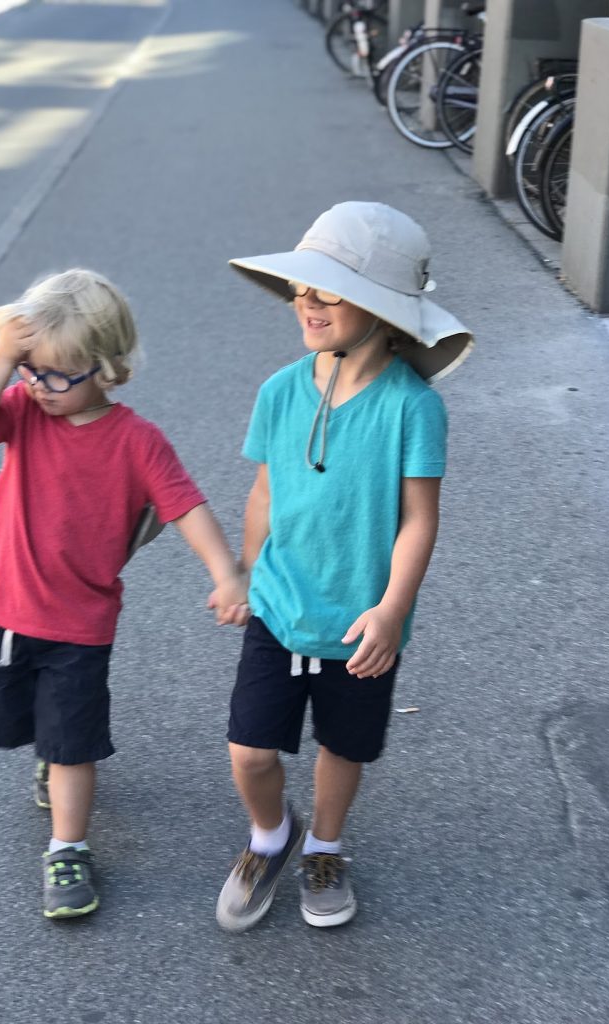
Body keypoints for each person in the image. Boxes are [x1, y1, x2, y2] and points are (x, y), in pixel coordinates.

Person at [0, 268, 248, 920]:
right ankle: (50, 760)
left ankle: (67, 846)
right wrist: (2, 358)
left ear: (106, 369)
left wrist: (225, 573)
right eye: (32, 370)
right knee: (9, 723)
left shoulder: (137, 442)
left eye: (58, 374)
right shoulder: (23, 408)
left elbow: (186, 507)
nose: (40, 386)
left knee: (72, 741)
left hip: (79, 625)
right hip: (4, 607)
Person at [215, 201, 473, 932]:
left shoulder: (413, 408)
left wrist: (391, 610)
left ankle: (324, 845)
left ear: (381, 307)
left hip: (361, 622)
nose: (306, 301)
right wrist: (241, 570)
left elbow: (418, 516)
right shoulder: (278, 390)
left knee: (341, 745)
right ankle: (271, 835)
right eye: (303, 287)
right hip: (277, 604)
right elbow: (263, 490)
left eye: (328, 290)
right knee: (249, 750)